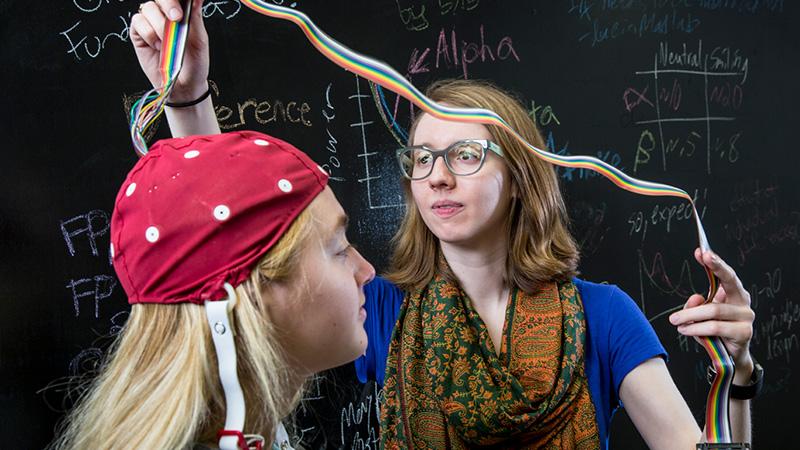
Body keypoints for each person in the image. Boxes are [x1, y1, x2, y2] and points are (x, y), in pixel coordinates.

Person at [130, 2, 757, 449]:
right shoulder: (374, 311)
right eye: (423, 158)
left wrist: (737, 376)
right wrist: (189, 98)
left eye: (464, 155)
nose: (436, 177)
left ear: (523, 176)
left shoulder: (604, 317)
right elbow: (229, 278)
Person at [48, 130, 375, 450]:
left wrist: (191, 101)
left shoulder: (248, 426)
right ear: (251, 296)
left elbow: (226, 224)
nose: (367, 271)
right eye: (339, 249)